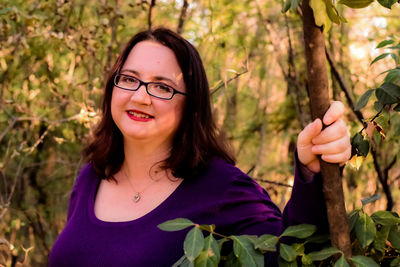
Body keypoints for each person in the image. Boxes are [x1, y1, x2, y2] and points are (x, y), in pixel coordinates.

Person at [48, 28, 351, 266]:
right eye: (129, 79)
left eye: (162, 87)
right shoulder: (91, 177)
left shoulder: (221, 187)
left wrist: (311, 172)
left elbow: (290, 254)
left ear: (191, 106)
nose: (140, 97)